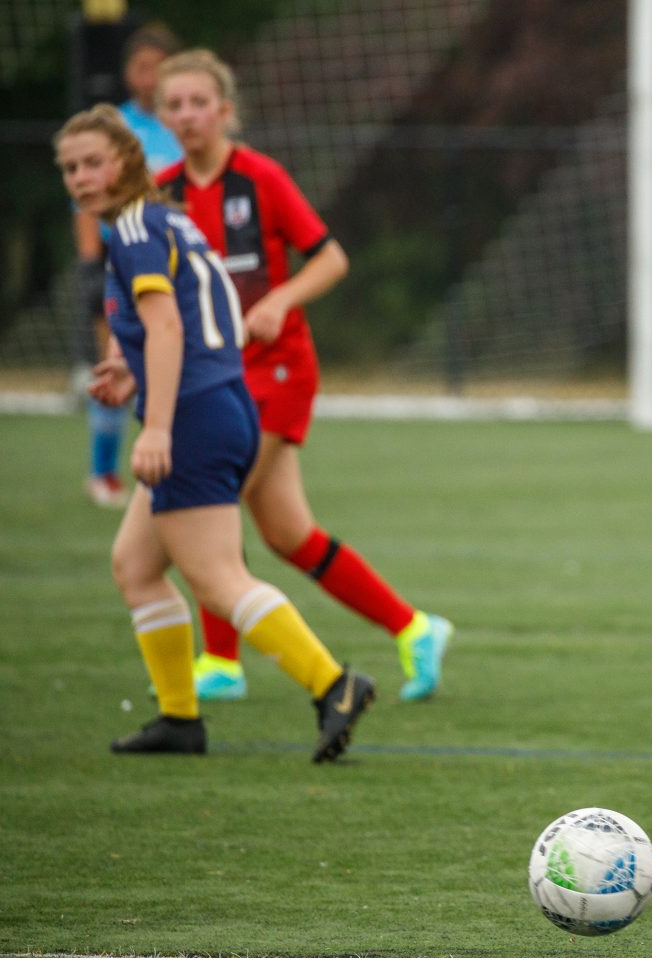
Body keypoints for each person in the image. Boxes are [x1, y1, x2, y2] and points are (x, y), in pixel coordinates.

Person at [56, 104, 375, 761]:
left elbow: (171, 328)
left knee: (218, 578)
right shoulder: (168, 217)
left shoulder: (137, 229)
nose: (81, 177)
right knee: (137, 567)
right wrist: (128, 365)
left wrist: (159, 426)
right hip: (220, 402)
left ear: (126, 162)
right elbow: (211, 310)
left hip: (195, 416)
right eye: (69, 168)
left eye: (93, 162)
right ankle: (179, 719)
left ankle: (334, 685)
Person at [153, 49, 452, 703]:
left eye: (198, 102)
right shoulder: (164, 192)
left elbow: (330, 258)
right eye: (173, 104)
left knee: (209, 499)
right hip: (216, 379)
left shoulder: (260, 178)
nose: (185, 115)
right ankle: (415, 627)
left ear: (225, 111)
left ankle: (222, 661)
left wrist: (281, 299)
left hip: (279, 370)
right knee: (288, 534)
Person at [73, 24, 182, 508]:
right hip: (120, 266)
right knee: (115, 364)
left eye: (158, 67)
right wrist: (89, 263)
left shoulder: (183, 123)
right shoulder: (116, 126)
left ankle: (165, 462)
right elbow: (84, 203)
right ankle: (102, 471)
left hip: (170, 267)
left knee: (169, 363)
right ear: (128, 73)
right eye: (141, 67)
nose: (149, 76)